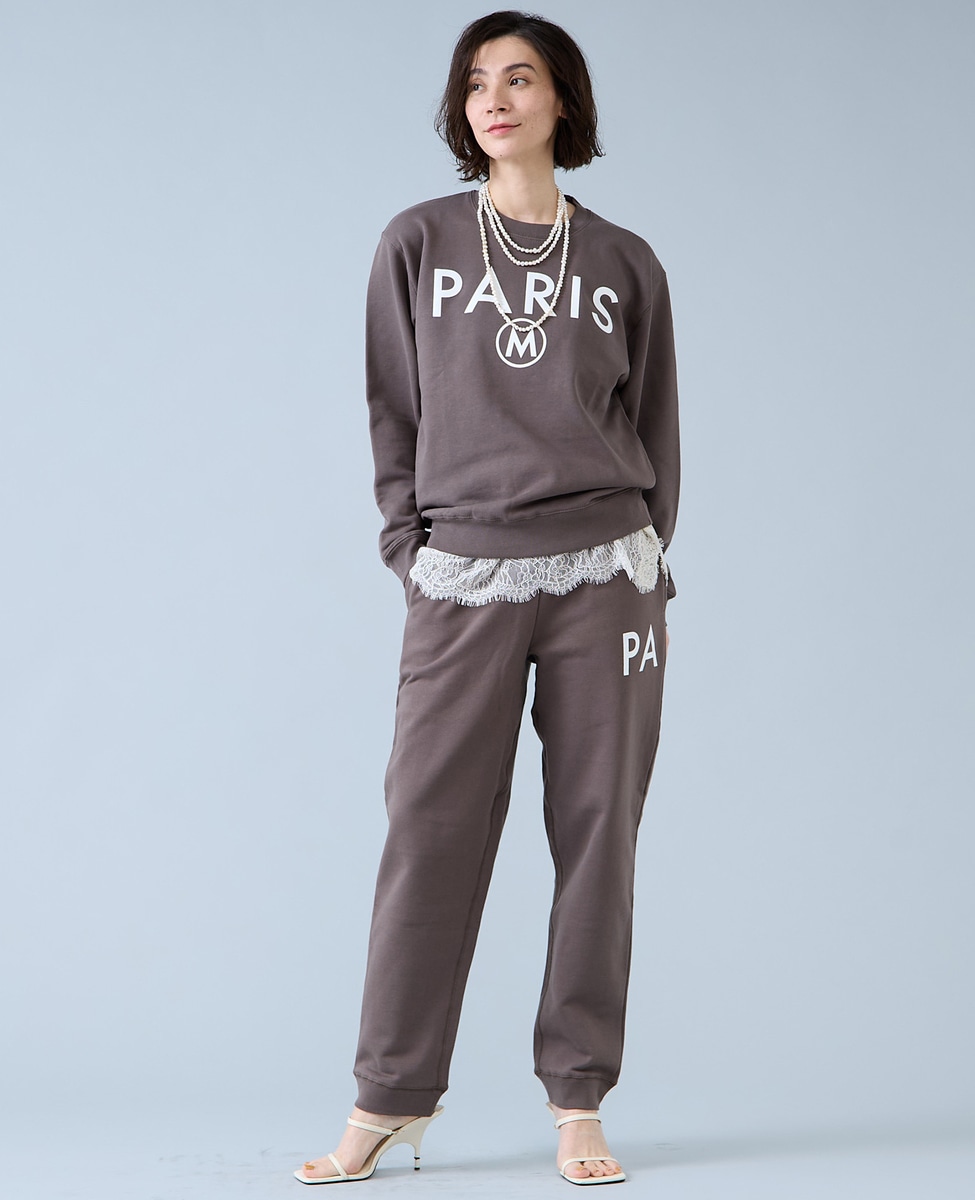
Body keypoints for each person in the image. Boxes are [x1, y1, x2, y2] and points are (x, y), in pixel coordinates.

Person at [295, 8, 679, 1188]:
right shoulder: (416, 241)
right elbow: (392, 410)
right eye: (475, 84)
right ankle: (389, 1098)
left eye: (519, 79)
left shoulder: (625, 262)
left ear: (563, 100)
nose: (495, 99)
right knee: (431, 829)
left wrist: (646, 561)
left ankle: (579, 1100)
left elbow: (656, 428)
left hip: (606, 576)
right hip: (463, 573)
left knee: (599, 834)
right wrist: (411, 551)